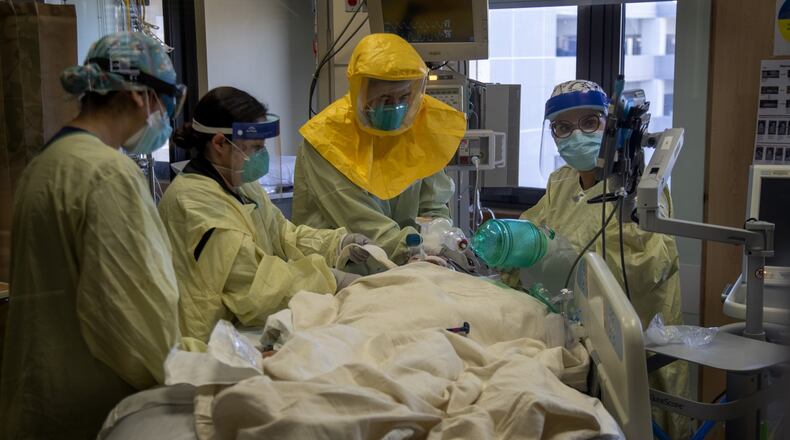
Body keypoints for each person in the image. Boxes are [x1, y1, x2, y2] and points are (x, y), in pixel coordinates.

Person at [0, 32, 185, 438]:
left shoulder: (47, 163)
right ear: (139, 95)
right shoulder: (108, 173)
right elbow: (138, 318)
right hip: (92, 411)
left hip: (39, 402)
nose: (166, 115)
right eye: (166, 100)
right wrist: (194, 371)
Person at [510, 79, 690, 438]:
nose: (576, 135)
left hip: (634, 340)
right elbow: (531, 232)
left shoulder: (638, 189)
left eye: (589, 122)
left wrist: (557, 258)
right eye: (563, 127)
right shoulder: (561, 182)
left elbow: (643, 271)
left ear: (610, 127)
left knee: (639, 420)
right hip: (577, 337)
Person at [159, 86, 370, 342]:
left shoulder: (242, 185)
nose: (263, 155)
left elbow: (283, 235)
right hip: (207, 342)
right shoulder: (194, 202)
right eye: (255, 147)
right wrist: (330, 280)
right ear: (219, 143)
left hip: (241, 330)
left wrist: (338, 244)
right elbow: (256, 287)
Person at [293, 33, 467, 265]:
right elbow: (360, 221)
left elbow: (433, 203)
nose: (396, 106)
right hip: (342, 268)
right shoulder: (328, 139)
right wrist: (413, 250)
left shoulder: (420, 127)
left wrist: (441, 238)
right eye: (385, 99)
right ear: (362, 93)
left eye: (404, 97)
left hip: (409, 261)